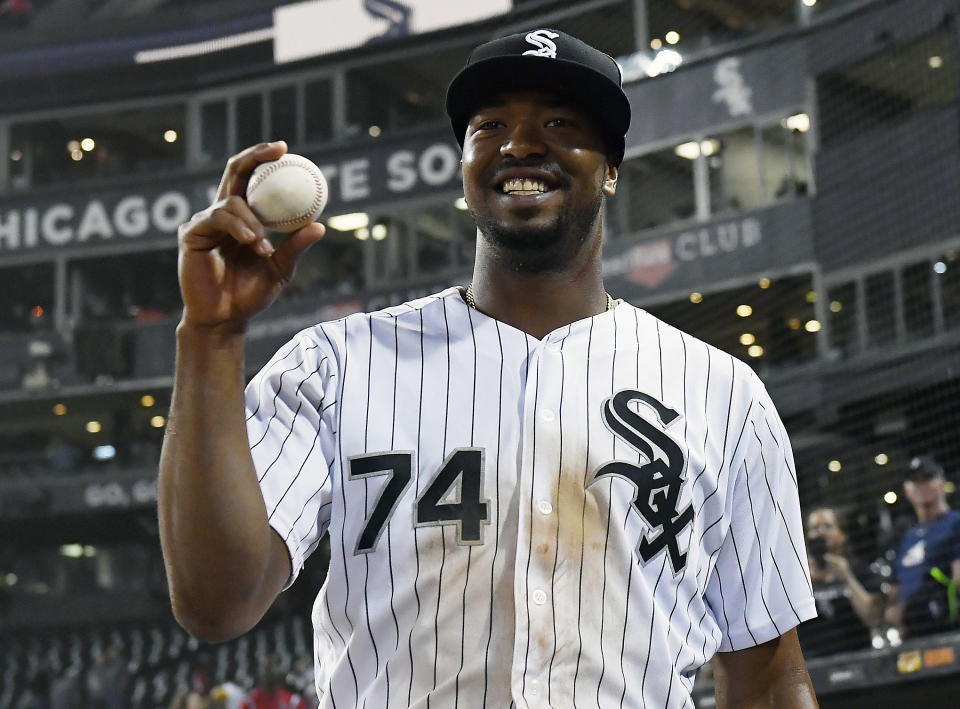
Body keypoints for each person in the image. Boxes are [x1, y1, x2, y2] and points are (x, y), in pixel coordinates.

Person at [159, 29, 819, 707]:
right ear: (466, 163)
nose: (520, 144)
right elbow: (217, 603)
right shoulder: (335, 365)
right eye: (490, 125)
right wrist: (211, 335)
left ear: (612, 167)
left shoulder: (723, 392)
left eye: (561, 123)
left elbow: (767, 669)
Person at [885, 455, 960, 637]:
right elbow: (894, 595)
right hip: (911, 635)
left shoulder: (956, 523)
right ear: (906, 490)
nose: (922, 486)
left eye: (927, 478)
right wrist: (892, 611)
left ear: (941, 482)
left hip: (949, 633)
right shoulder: (905, 540)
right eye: (915, 481)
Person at [797, 507, 883, 657]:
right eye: (815, 528)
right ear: (808, 536)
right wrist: (805, 583)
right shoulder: (798, 575)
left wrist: (847, 577)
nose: (821, 532)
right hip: (812, 661)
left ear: (841, 534)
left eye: (828, 526)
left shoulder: (858, 568)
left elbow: (873, 617)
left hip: (858, 654)